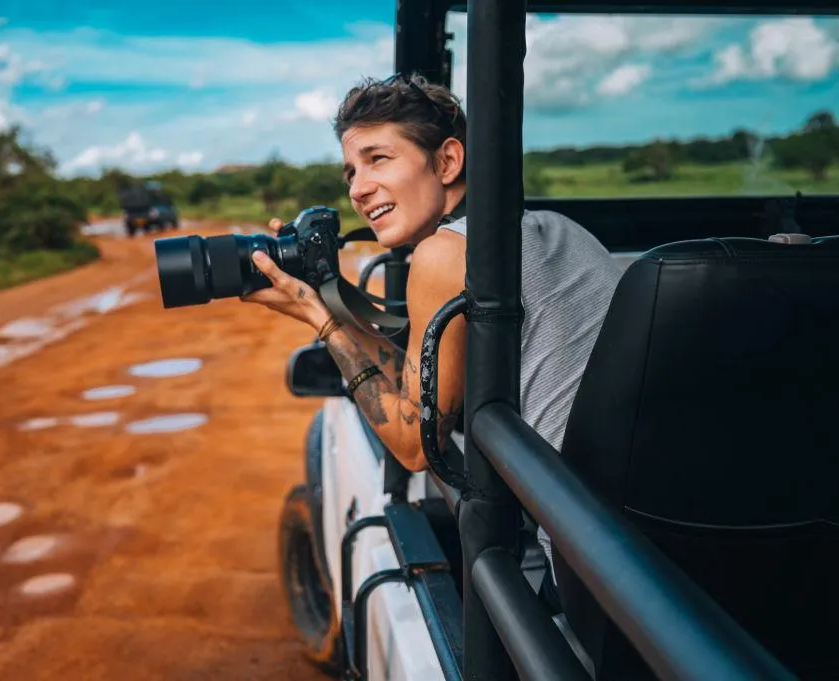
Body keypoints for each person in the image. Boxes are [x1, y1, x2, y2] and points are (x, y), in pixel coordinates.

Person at [240, 73, 623, 582]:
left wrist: (320, 318)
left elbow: (416, 445)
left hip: (594, 564)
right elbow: (423, 382)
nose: (357, 188)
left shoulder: (443, 253)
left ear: (446, 161)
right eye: (350, 171)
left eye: (378, 159)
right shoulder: (552, 228)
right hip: (645, 524)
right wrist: (327, 290)